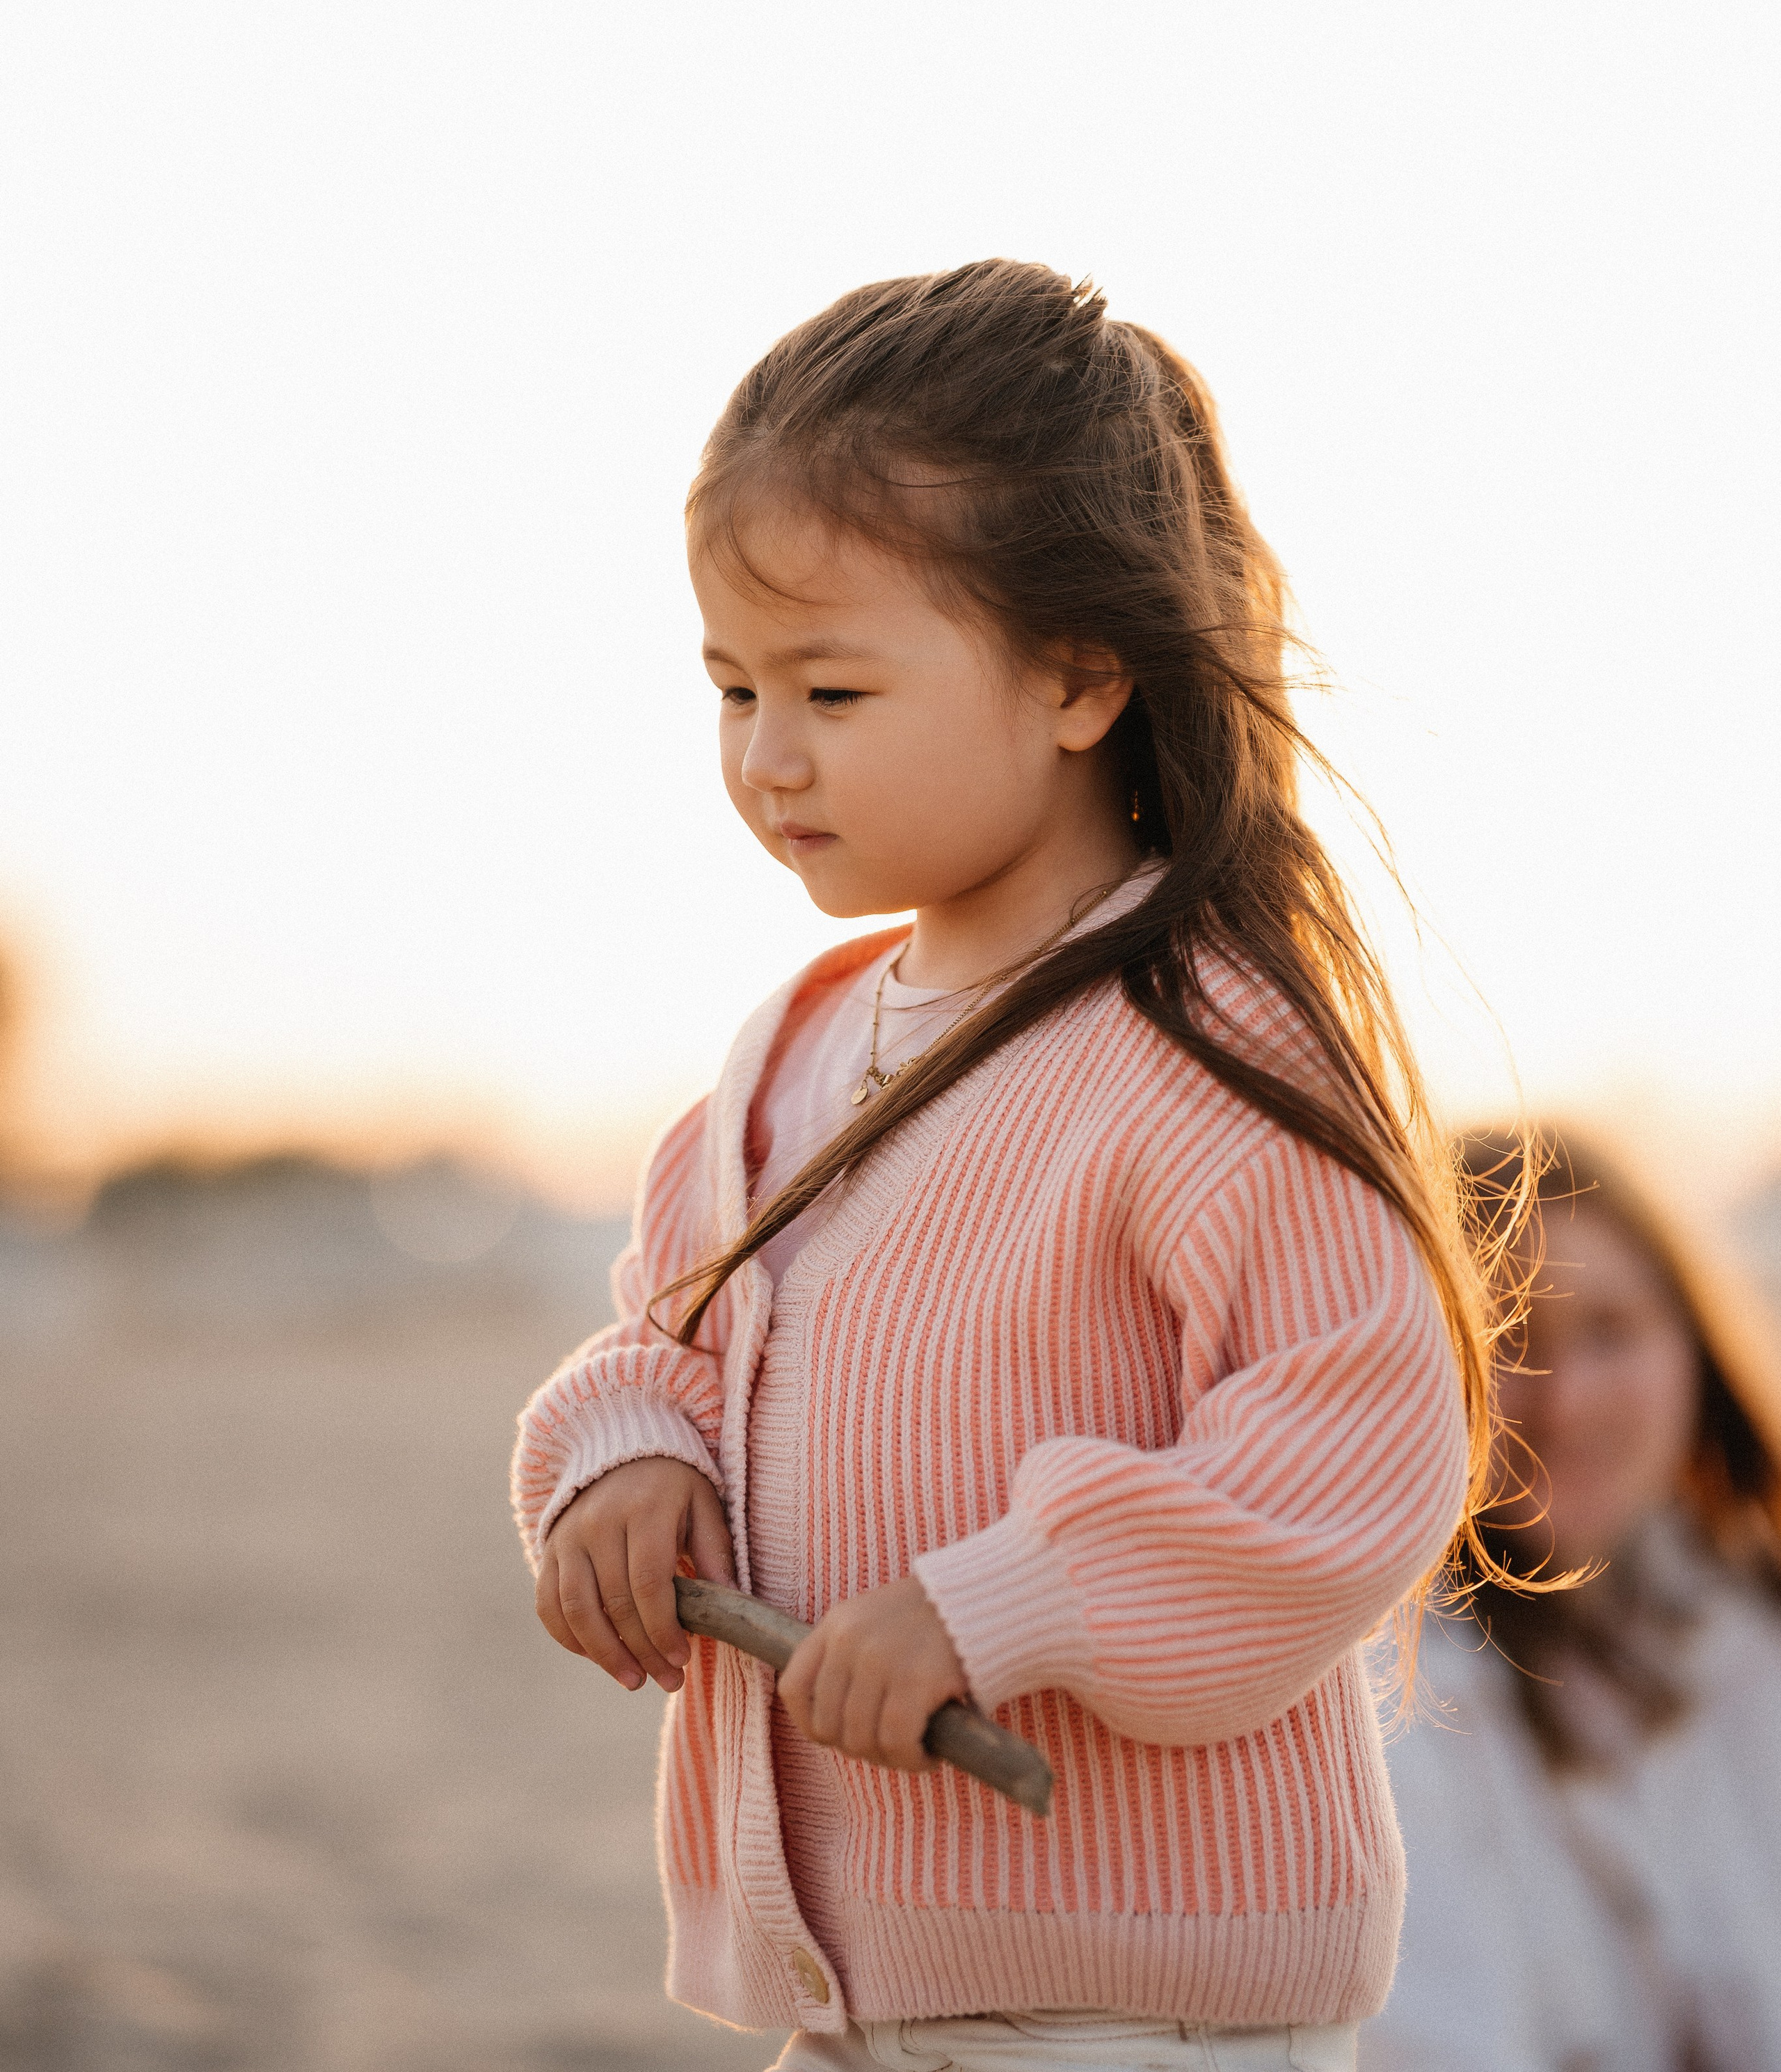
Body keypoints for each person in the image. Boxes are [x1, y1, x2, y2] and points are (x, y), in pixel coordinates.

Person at [512, 262, 1510, 2072]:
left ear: (1077, 676)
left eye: (830, 685)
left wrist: (1004, 1603)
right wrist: (624, 1454)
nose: (766, 756)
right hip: (856, 1987)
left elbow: (1355, 1444)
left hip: (1136, 2002)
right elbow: (670, 1336)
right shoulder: (789, 1055)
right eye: (731, 687)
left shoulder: (1204, 1040)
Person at [1363, 1127, 1781, 2072]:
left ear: (1692, 1347)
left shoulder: (1749, 1637)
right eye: (1508, 1339)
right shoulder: (1390, 1697)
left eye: (1609, 1332)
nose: (1565, 1403)